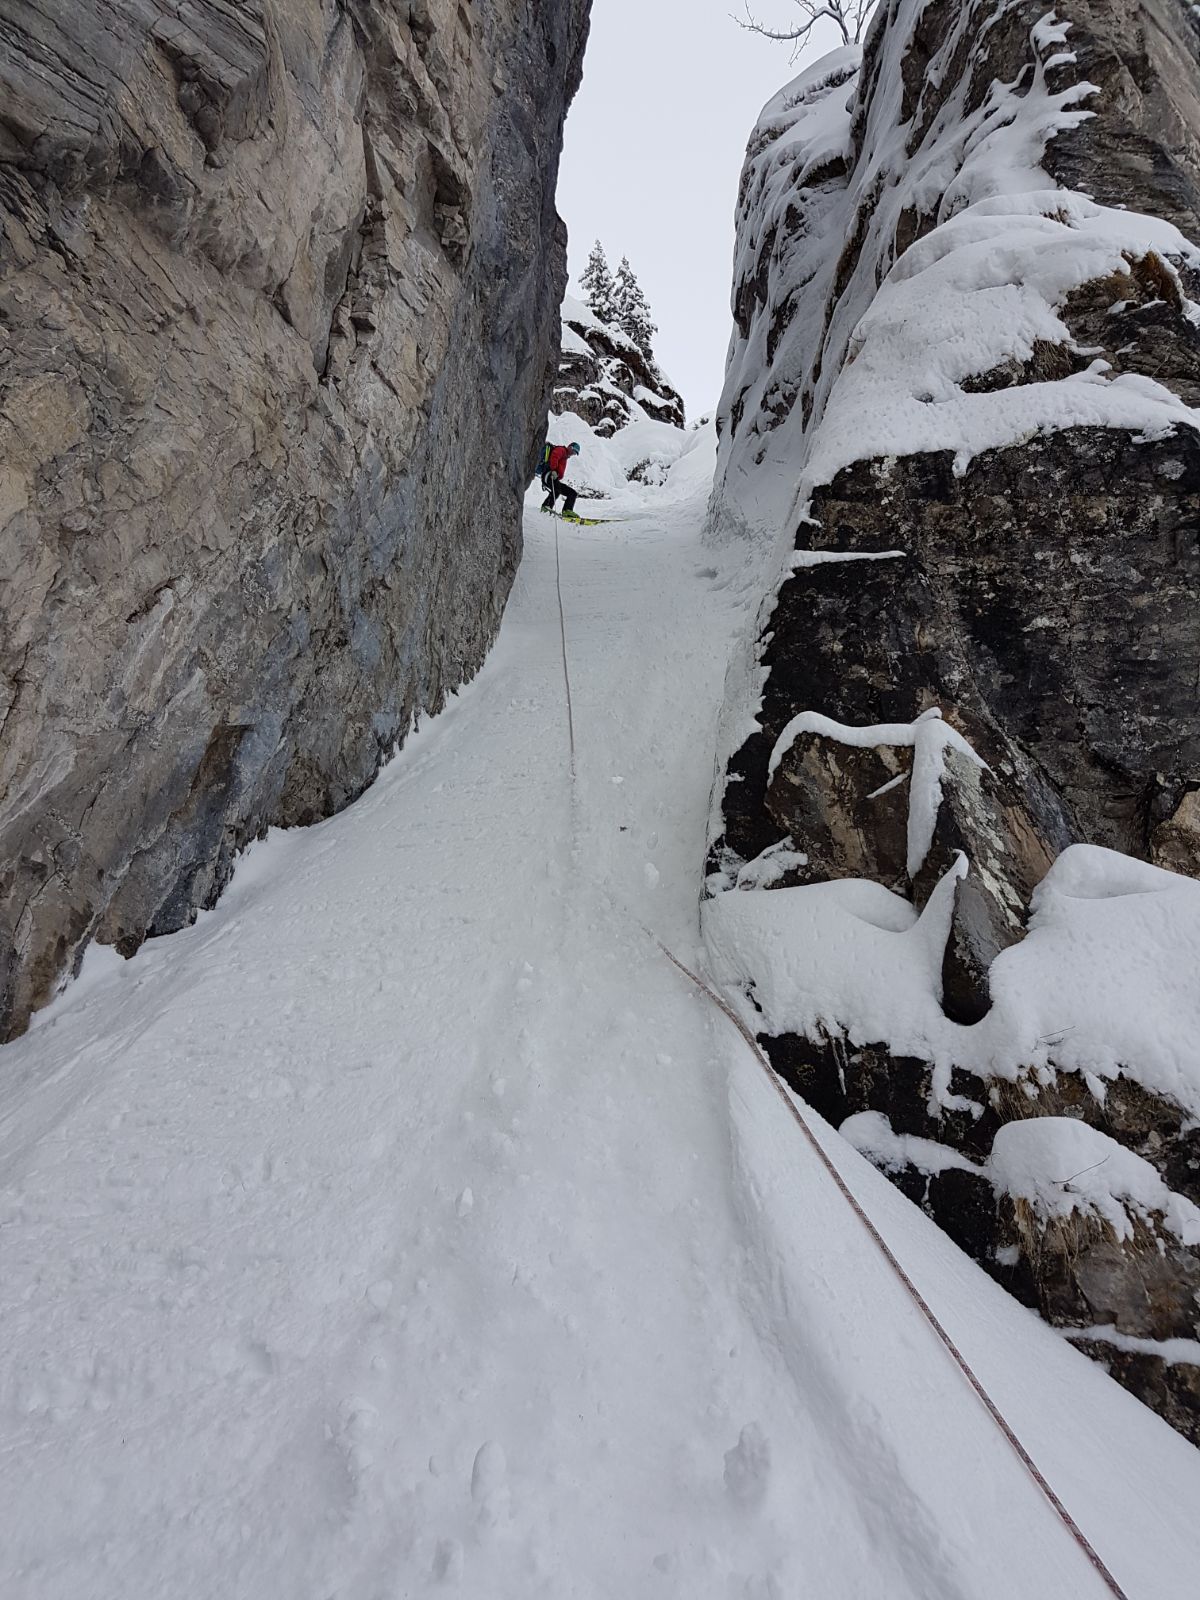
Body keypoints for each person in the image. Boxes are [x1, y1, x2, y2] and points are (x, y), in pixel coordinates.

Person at [541, 441, 582, 519]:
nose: (573, 454)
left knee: (572, 493)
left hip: (554, 477)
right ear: (570, 447)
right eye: (573, 451)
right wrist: (553, 470)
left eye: (575, 453)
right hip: (549, 475)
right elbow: (554, 456)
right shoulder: (562, 450)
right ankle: (546, 506)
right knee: (556, 490)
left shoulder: (565, 456)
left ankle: (567, 511)